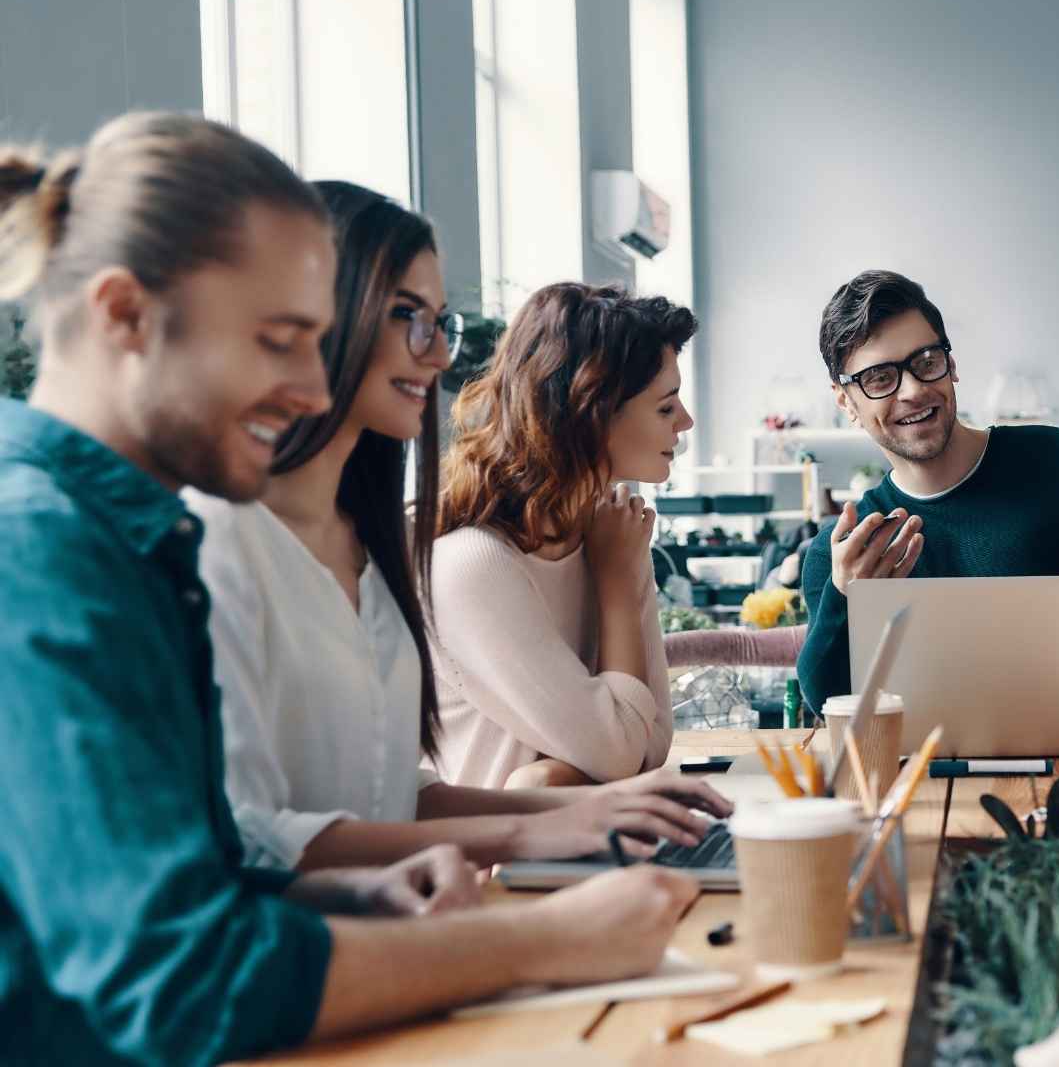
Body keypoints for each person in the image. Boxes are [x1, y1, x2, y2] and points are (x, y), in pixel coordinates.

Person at [0, 113, 695, 1065]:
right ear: (123, 315)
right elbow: (179, 981)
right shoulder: (39, 553)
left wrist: (337, 892)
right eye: (280, 341)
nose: (315, 389)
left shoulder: (125, 538)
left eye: (320, 341)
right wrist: (552, 939)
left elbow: (200, 871)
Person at [191, 182, 729, 871]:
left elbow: (396, 795)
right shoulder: (225, 541)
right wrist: (548, 819)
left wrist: (590, 811)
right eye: (411, 317)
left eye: (440, 323)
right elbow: (254, 842)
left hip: (420, 914)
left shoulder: (375, 544)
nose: (442, 355)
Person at [793, 269, 1059, 715]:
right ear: (846, 401)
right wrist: (843, 594)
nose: (913, 390)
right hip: (927, 779)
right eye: (880, 378)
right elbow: (826, 701)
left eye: (926, 361)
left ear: (952, 364)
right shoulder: (850, 551)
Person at [433, 283, 696, 789]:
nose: (685, 421)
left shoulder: (608, 533)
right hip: (496, 863)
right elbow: (622, 752)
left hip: (591, 844)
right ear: (592, 415)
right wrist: (618, 582)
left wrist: (556, 774)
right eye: (665, 407)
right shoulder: (474, 562)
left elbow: (654, 740)